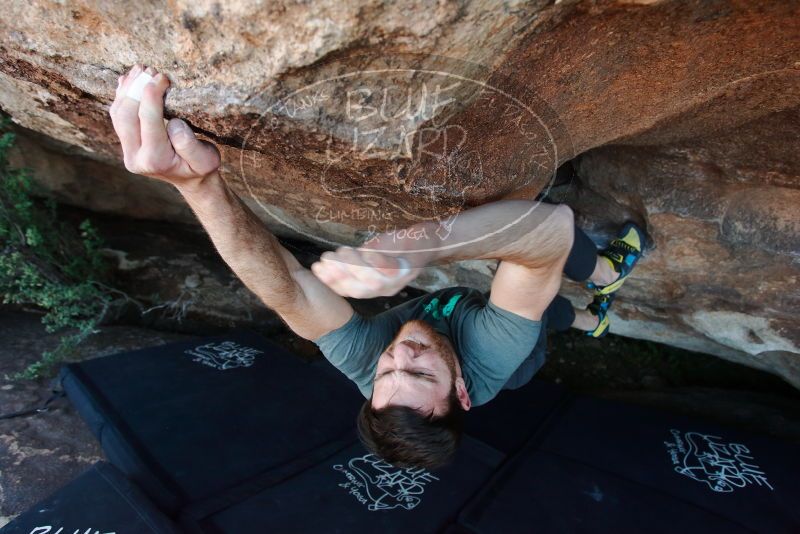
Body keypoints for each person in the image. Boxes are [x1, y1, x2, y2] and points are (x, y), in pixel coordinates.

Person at [109, 65, 645, 470]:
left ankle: (592, 314)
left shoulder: (373, 373)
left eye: (389, 373)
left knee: (539, 295)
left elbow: (290, 291)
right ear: (461, 391)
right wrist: (421, 246)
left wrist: (197, 186)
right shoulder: (493, 355)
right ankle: (602, 278)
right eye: (419, 372)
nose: (401, 355)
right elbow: (548, 230)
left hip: (473, 310)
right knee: (544, 306)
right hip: (516, 350)